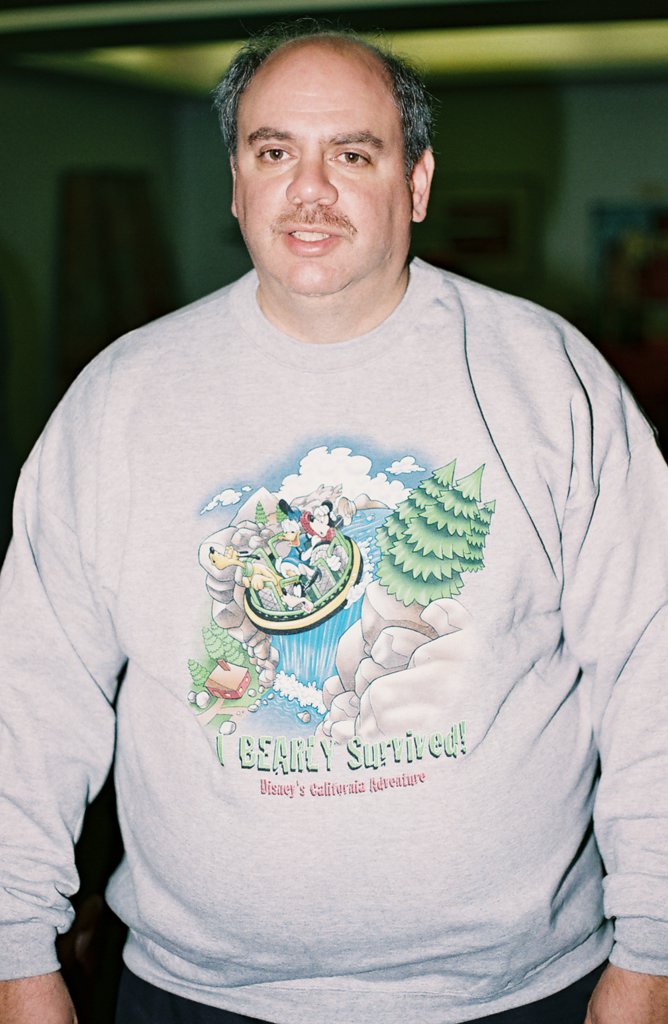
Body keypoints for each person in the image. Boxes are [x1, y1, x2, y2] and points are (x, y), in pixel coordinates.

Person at [1, 21, 667, 1024]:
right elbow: (29, 698)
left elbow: (653, 671)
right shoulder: (120, 400)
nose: (308, 190)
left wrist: (653, 951)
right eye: (274, 152)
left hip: (517, 995)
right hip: (195, 997)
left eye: (352, 155)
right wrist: (16, 953)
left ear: (417, 182)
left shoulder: (548, 377)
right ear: (236, 181)